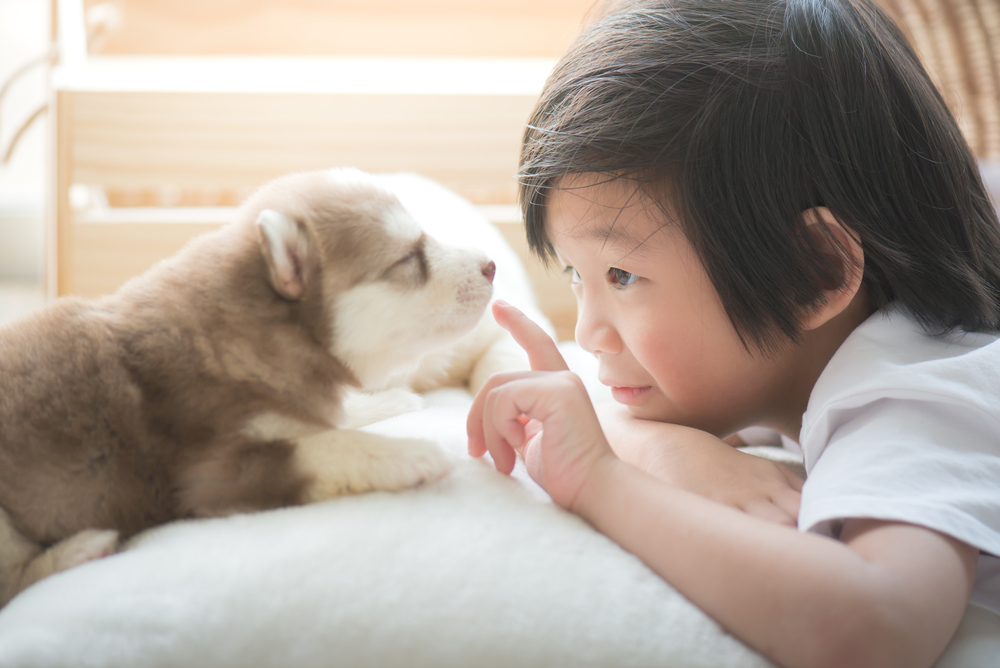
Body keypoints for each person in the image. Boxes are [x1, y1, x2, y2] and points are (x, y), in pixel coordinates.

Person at [465, 0, 1000, 666]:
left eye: (623, 276)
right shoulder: (797, 363)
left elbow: (875, 627)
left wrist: (600, 482)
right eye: (576, 274)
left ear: (812, 272)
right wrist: (668, 454)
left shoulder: (920, 396)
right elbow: (613, 405)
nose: (591, 331)